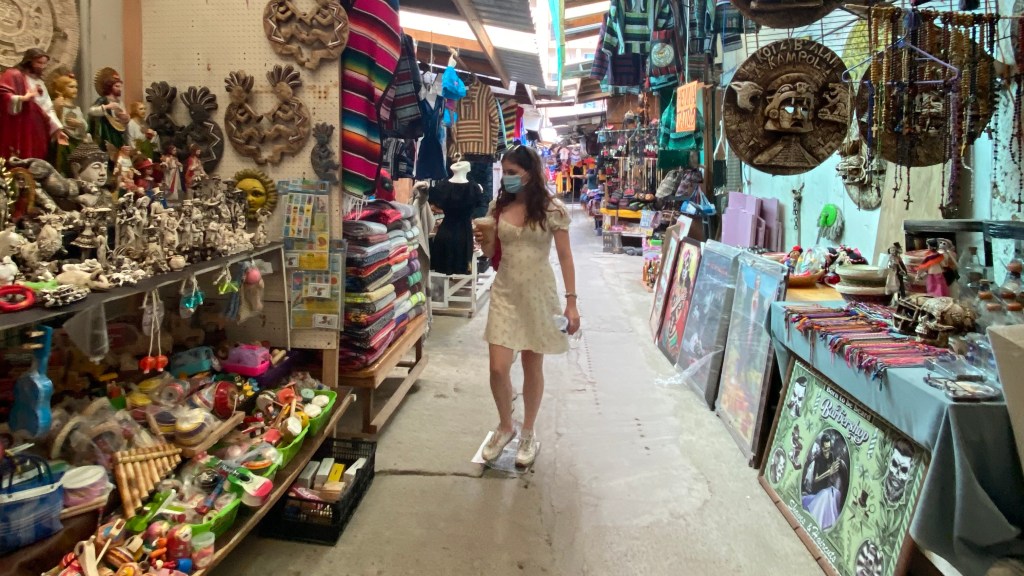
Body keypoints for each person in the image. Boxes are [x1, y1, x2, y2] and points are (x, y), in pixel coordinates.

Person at [473, 145, 580, 468]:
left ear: (530, 174)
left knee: (533, 367)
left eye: (512, 173)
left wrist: (571, 302)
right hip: (505, 292)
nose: (506, 179)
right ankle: (506, 425)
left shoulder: (552, 210)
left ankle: (528, 431)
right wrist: (484, 241)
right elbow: (493, 256)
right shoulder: (497, 207)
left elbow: (564, 257)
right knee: (497, 367)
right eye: (504, 173)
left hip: (539, 296)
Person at [0, 48, 68, 160]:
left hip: (38, 127)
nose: (42, 66)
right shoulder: (14, 75)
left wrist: (57, 129)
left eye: (44, 63)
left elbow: (48, 108)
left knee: (37, 156)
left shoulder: (40, 83)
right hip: (20, 126)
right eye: (39, 62)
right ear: (29, 61)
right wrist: (22, 98)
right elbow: (3, 95)